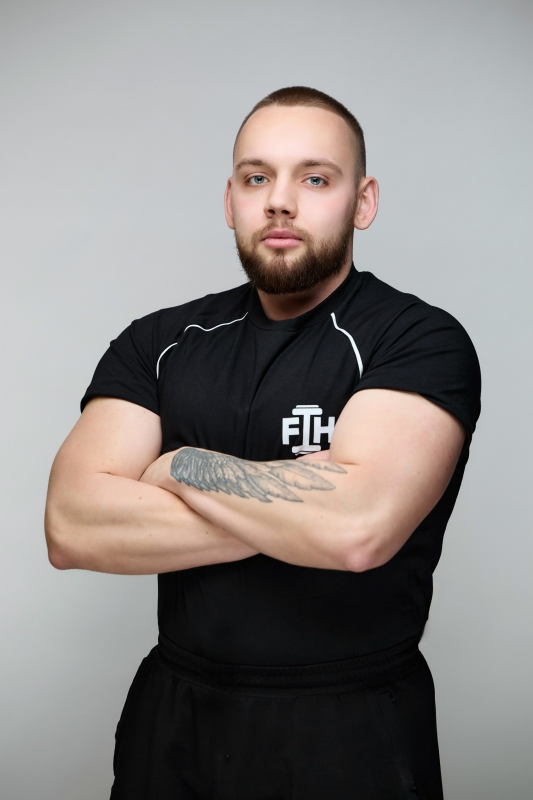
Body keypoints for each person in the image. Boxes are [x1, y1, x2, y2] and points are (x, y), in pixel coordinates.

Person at [45, 86, 481, 799]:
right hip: (175, 720)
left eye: (315, 178)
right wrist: (303, 509)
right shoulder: (158, 343)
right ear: (230, 201)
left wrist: (181, 465)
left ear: (363, 201)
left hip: (350, 727)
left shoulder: (414, 339)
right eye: (256, 178)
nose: (280, 201)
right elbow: (70, 526)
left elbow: (357, 530)